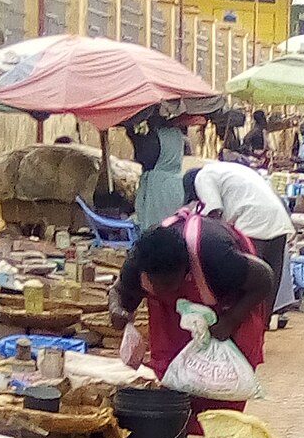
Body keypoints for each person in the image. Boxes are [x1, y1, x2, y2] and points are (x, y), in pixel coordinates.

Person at [111, 215, 276, 405]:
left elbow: (265, 279)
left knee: (222, 392)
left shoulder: (217, 259)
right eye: (157, 285)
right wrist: (118, 311)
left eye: (170, 283)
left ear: (185, 268)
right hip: (173, 318)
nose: (165, 290)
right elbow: (118, 291)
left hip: (229, 307)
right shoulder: (137, 266)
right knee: (174, 384)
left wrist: (231, 321)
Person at [185, 160, 291, 298]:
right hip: (278, 219)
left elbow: (213, 216)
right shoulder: (230, 170)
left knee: (249, 284)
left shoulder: (203, 177)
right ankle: (265, 319)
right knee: (269, 286)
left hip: (252, 221)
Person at [127, 111, 189, 236]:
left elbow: (143, 158)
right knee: (175, 228)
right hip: (176, 186)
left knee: (155, 229)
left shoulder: (155, 137)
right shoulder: (177, 134)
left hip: (158, 188)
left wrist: (131, 133)